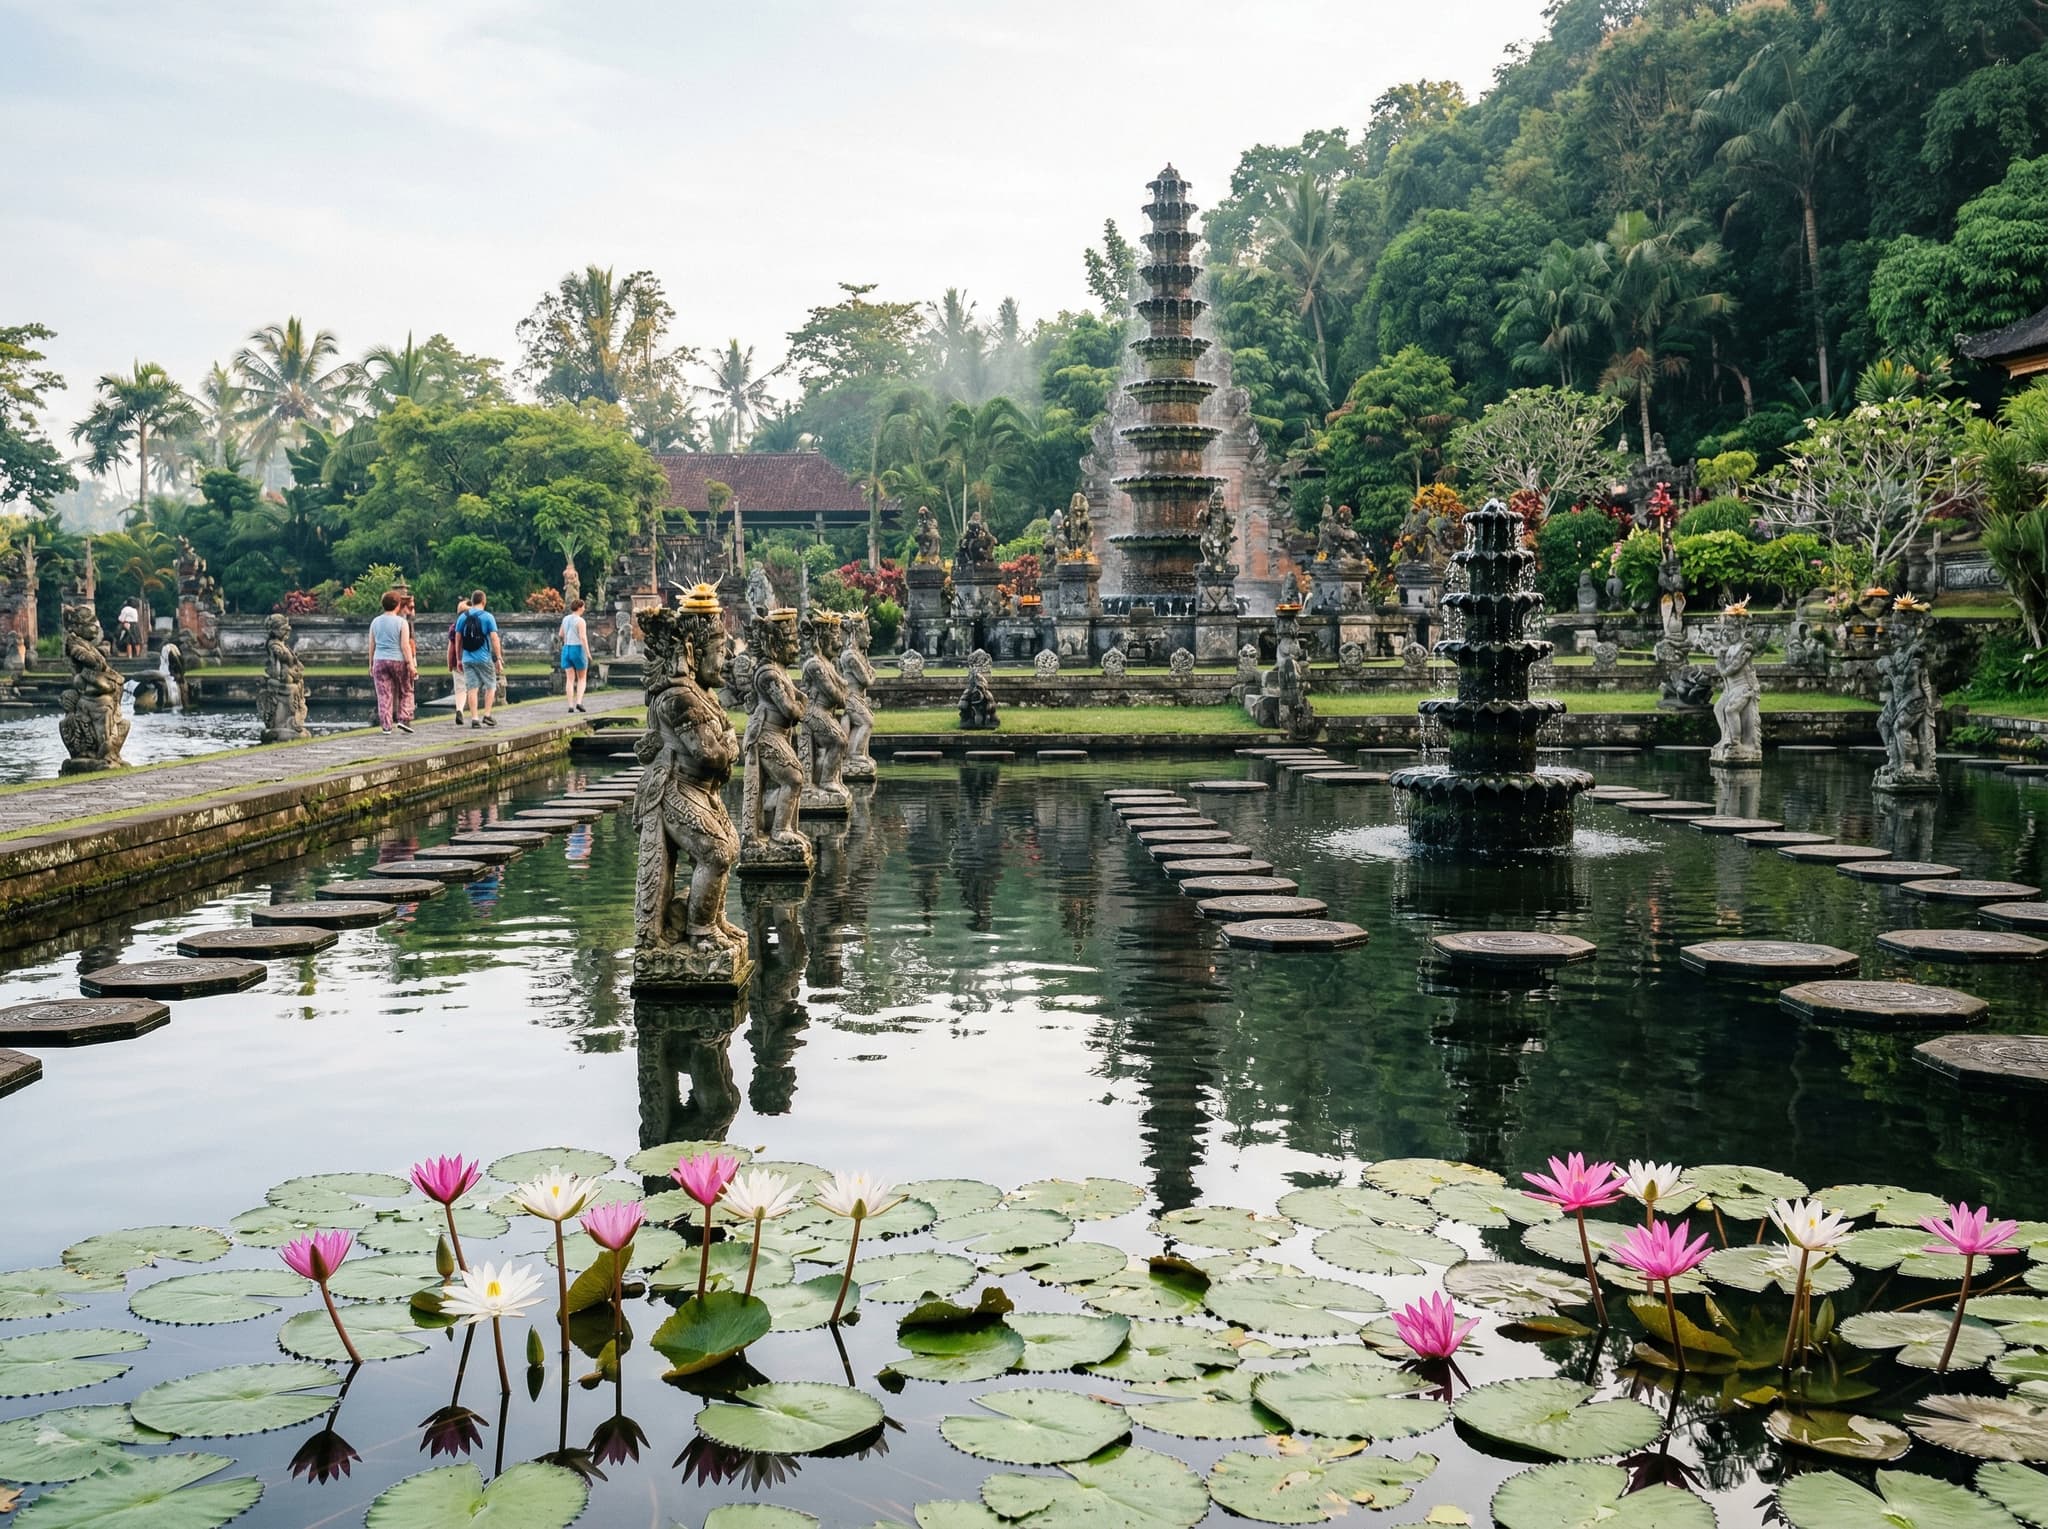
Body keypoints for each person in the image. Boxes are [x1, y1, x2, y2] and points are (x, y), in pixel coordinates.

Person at [368, 590, 416, 733]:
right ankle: (404, 718)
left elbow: (371, 645)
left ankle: (386, 726)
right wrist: (411, 665)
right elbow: (405, 646)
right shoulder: (402, 622)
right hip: (398, 659)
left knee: (384, 694)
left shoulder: (375, 622)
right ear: (398, 605)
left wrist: (371, 664)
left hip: (379, 660)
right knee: (406, 690)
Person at [454, 589, 502, 727]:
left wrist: (458, 658)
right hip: (483, 657)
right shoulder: (488, 617)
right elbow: (494, 638)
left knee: (472, 688)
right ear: (483, 601)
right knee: (491, 685)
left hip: (467, 658)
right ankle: (487, 715)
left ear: (472, 601)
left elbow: (458, 638)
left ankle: (474, 718)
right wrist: (498, 657)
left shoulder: (463, 617)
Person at [559, 597, 590, 711]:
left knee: (570, 679)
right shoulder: (580, 621)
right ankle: (579, 702)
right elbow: (583, 637)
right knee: (582, 678)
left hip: (566, 648)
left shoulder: (565, 619)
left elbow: (561, 634)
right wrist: (588, 652)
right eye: (583, 607)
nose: (584, 609)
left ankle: (570, 705)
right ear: (580, 607)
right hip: (577, 648)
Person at [445, 594, 471, 724]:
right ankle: (474, 713)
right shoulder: (476, 624)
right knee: (472, 687)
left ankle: (459, 709)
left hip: (458, 660)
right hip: (474, 659)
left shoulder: (454, 627)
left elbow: (451, 647)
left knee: (460, 689)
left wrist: (450, 663)